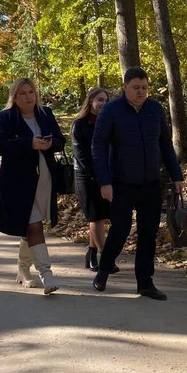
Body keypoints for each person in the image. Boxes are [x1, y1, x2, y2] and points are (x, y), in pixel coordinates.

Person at [91, 67, 184, 300]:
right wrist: (105, 182)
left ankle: (145, 283)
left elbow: (165, 145)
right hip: (121, 183)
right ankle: (104, 270)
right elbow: (98, 147)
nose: (141, 92)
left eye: (144, 88)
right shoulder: (112, 111)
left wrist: (176, 175)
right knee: (120, 230)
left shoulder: (154, 110)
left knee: (148, 234)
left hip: (150, 183)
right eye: (136, 88)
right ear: (125, 87)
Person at [0, 78, 66, 294]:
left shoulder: (45, 114)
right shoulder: (5, 117)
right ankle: (46, 273)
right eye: (23, 93)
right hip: (18, 182)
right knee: (34, 225)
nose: (28, 97)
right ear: (14, 96)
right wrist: (29, 144)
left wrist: (51, 143)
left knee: (30, 224)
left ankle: (23, 269)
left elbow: (61, 141)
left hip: (44, 178)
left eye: (31, 92)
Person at [71, 87, 115, 273]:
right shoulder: (79, 124)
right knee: (96, 217)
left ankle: (91, 253)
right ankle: (106, 259)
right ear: (90, 101)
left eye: (106, 100)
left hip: (106, 176)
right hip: (86, 177)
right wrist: (98, 175)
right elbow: (81, 155)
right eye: (99, 100)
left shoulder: (107, 122)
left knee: (100, 217)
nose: (103, 104)